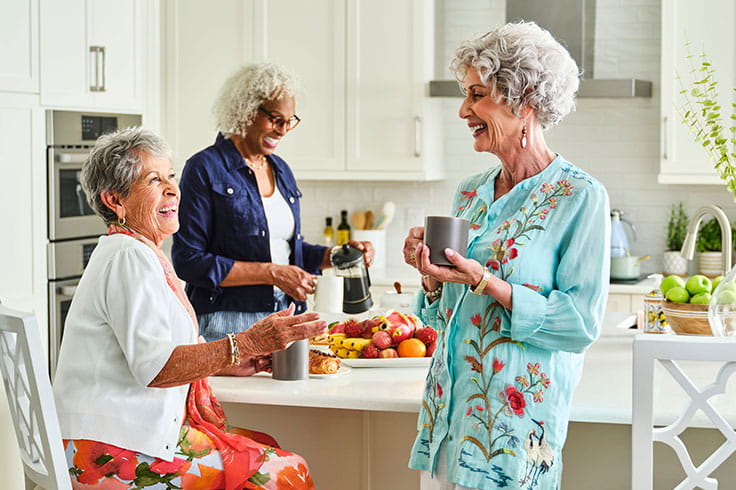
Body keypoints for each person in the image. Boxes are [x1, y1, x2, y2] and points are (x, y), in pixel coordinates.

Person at [53, 126, 325, 489]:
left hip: (117, 432)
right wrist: (245, 343)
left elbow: (159, 354)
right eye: (153, 180)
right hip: (110, 449)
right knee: (285, 473)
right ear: (114, 200)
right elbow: (155, 368)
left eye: (170, 176)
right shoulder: (129, 258)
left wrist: (231, 361)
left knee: (266, 448)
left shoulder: (136, 252)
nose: (172, 189)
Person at [402, 22, 610, 490]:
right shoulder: (470, 193)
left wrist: (486, 282)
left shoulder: (580, 196)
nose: (463, 110)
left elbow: (579, 324)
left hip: (514, 438)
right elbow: (442, 322)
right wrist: (432, 277)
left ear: (524, 99)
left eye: (477, 94)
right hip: (447, 426)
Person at [172, 62, 374, 342]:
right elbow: (189, 261)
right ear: (245, 110)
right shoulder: (204, 168)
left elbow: (283, 248)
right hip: (226, 321)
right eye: (275, 119)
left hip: (287, 316)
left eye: (289, 121)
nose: (282, 130)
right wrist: (273, 274)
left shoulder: (280, 169)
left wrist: (336, 256)